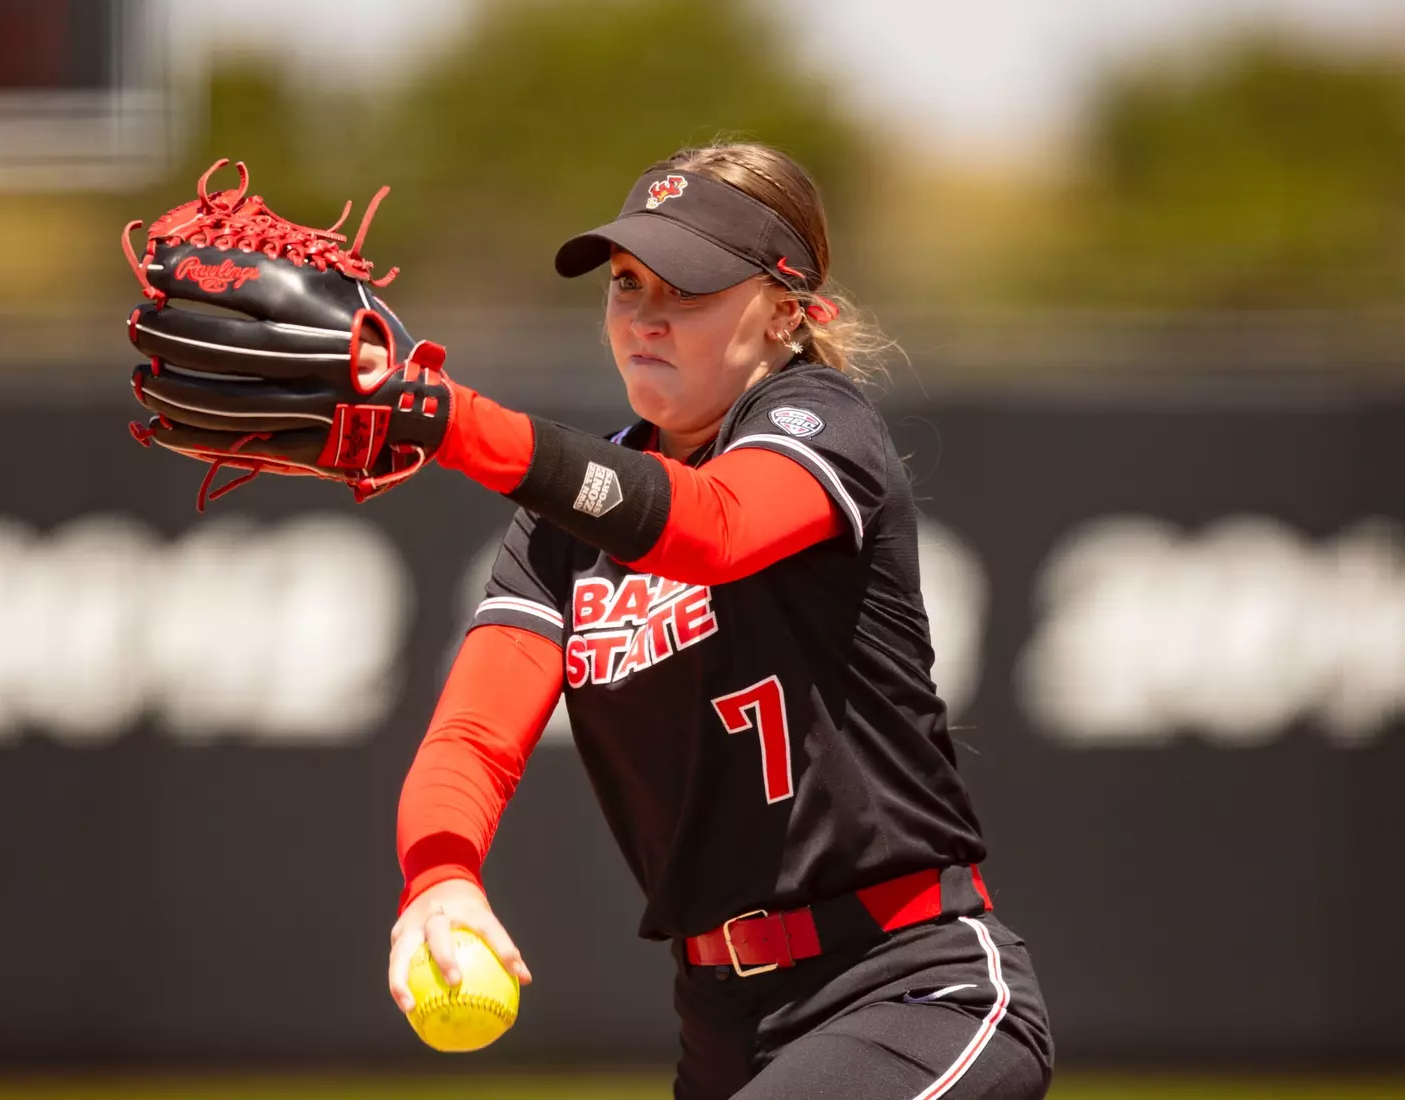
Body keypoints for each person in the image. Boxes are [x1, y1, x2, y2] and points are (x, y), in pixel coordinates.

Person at [385, 142, 1055, 1099]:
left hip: (908, 986)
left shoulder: (821, 425)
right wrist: (441, 872)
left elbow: (715, 528)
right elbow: (473, 738)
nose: (645, 319)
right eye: (625, 285)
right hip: (723, 1023)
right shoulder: (561, 532)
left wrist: (452, 423)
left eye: (688, 291)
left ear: (790, 310)